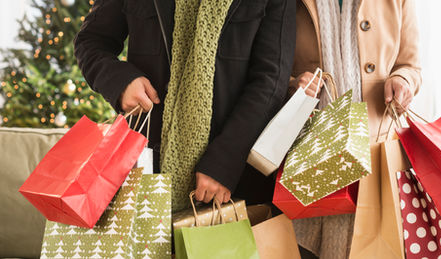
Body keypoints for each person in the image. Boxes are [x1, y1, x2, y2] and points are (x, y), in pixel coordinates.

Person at [74, 0, 296, 212]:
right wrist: (120, 82)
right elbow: (92, 42)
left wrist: (224, 163)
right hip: (146, 168)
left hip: (235, 176)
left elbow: (271, 80)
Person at [289, 0, 421, 258]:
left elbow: (411, 66)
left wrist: (402, 80)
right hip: (314, 152)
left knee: (379, 245)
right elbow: (268, 67)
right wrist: (294, 85)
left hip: (379, 151)